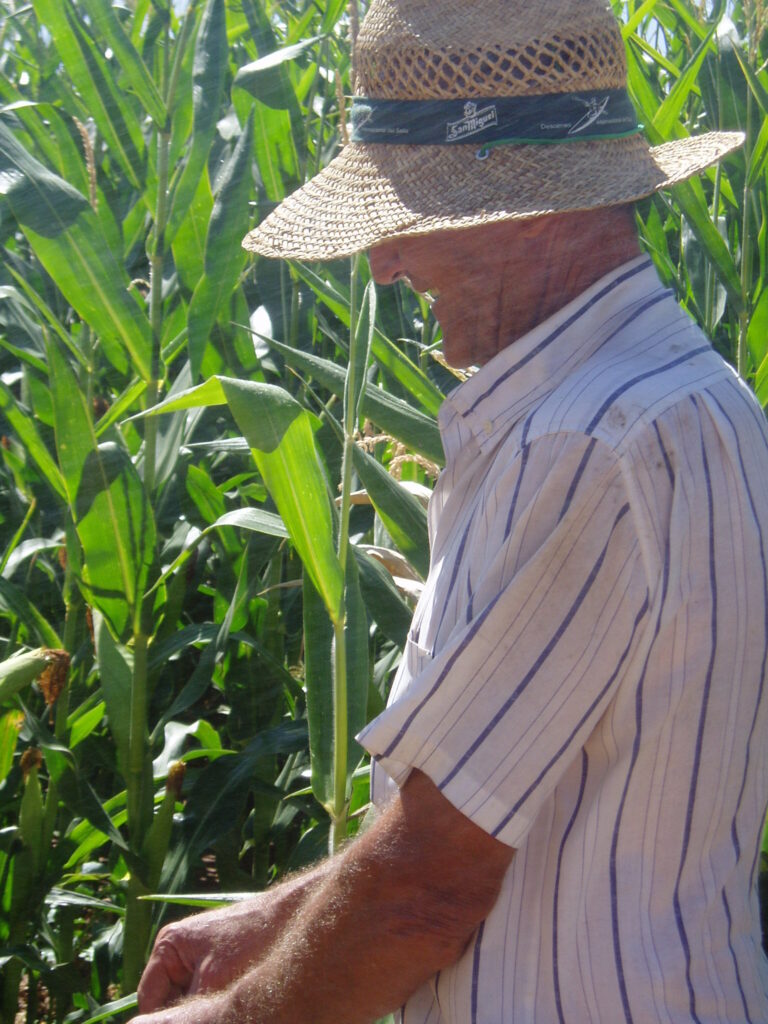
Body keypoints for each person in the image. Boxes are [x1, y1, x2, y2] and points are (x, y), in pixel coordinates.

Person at [134, 0, 768, 1021]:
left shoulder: (586, 442)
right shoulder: (683, 395)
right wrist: (275, 922)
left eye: (412, 215)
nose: (385, 262)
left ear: (529, 204)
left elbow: (427, 890)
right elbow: (497, 805)